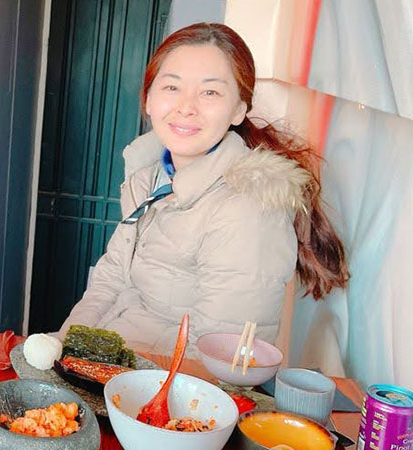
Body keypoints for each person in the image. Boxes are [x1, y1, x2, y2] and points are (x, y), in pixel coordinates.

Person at [59, 23, 348, 355]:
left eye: (210, 92)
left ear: (239, 110)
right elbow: (111, 278)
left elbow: (218, 359)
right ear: (149, 99)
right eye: (172, 87)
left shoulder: (247, 209)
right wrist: (64, 346)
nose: (186, 106)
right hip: (108, 359)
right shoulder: (146, 178)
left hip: (159, 381)